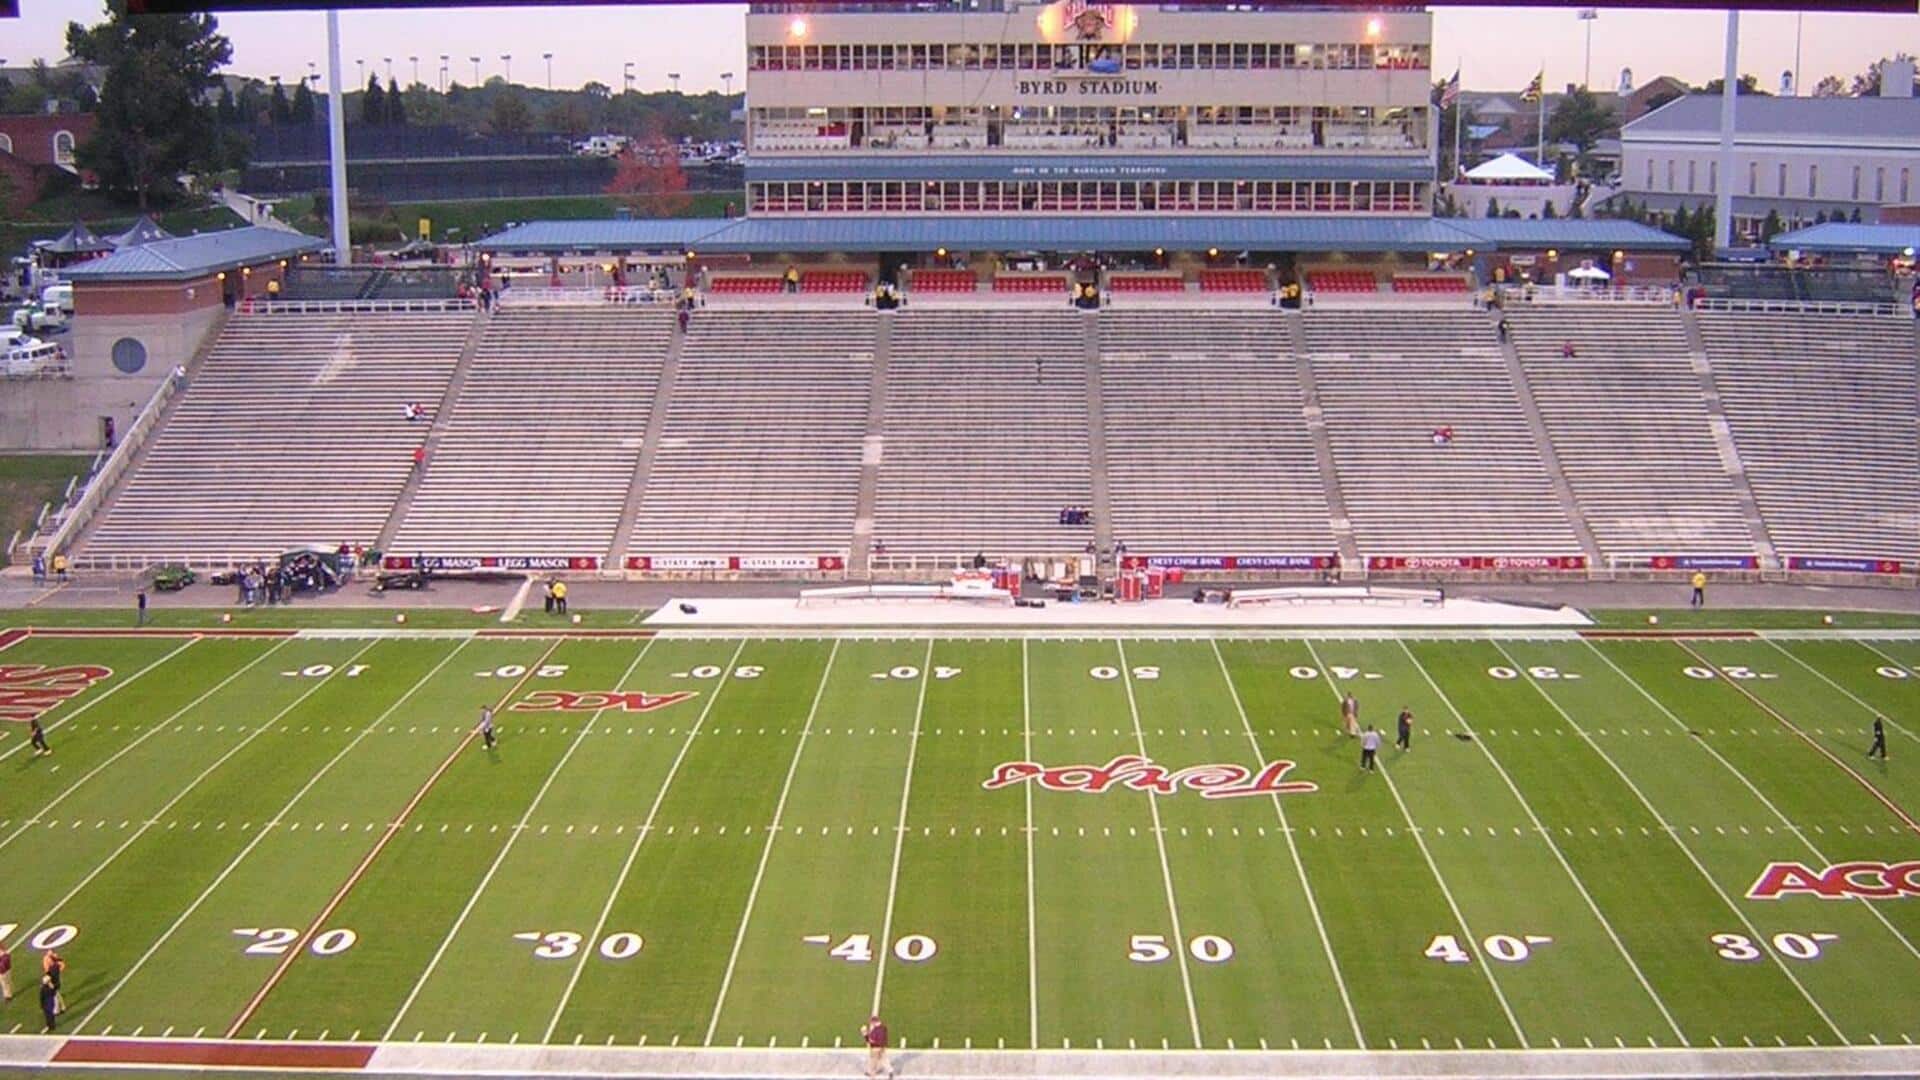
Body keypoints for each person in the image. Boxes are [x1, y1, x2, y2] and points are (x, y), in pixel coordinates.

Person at [862, 1013, 891, 1079]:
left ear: (874, 1022)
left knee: (873, 1063)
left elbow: (871, 1041)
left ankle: (872, 1076)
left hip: (875, 1048)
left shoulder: (875, 1030)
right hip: (882, 1047)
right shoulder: (883, 1028)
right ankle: (890, 1071)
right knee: (884, 1060)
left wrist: (865, 1034)